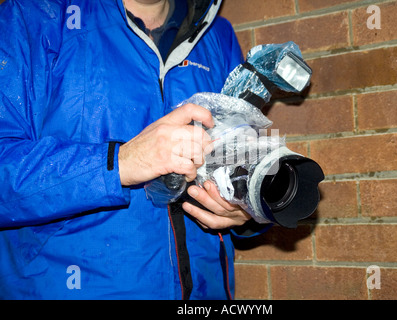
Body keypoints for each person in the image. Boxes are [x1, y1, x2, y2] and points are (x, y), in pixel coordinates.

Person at [0, 0, 253, 299]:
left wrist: (245, 210)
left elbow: (241, 161)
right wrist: (119, 163)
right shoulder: (36, 15)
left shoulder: (217, 33)